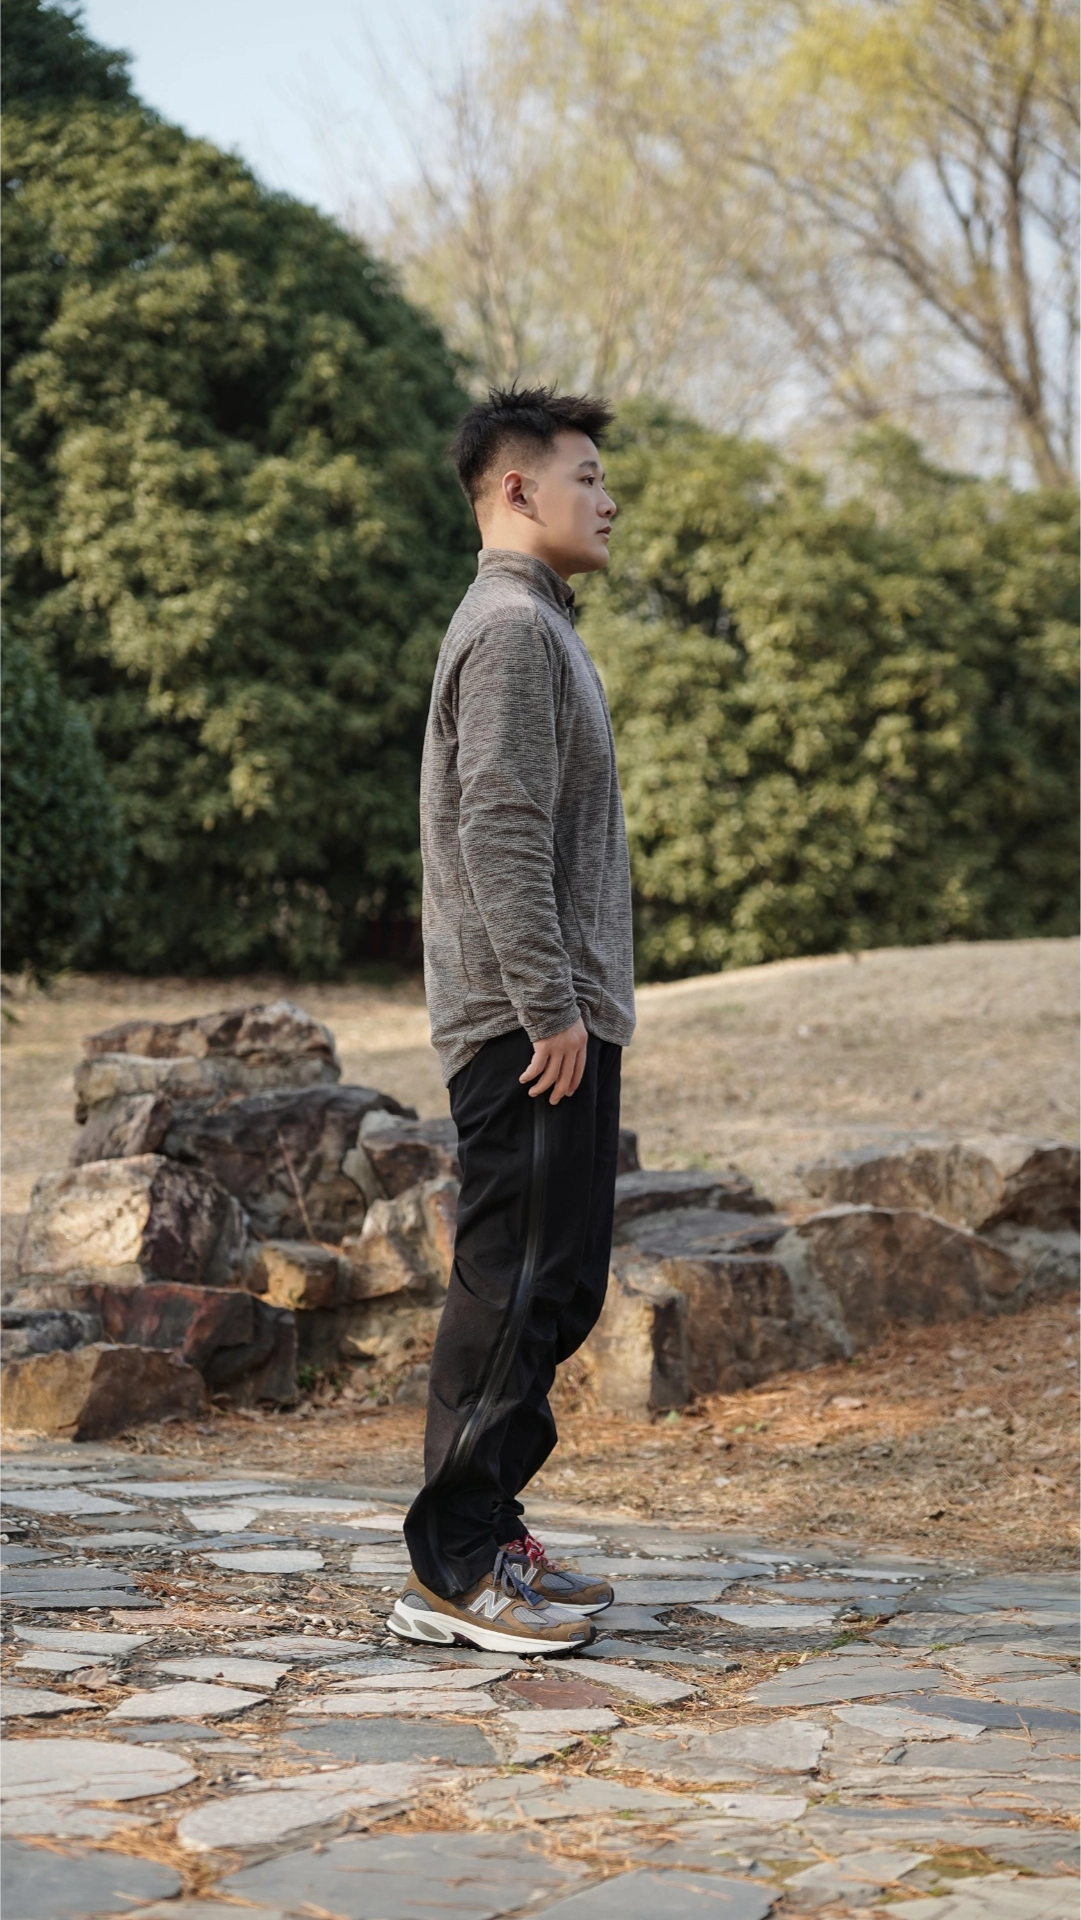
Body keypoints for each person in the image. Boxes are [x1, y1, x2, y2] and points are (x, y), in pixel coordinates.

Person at [390, 386, 636, 1655]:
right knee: (518, 1278)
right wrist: (548, 1005)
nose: (608, 499)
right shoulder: (508, 628)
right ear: (516, 489)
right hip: (525, 1024)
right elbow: (497, 825)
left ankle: (488, 1525)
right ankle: (455, 1566)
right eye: (585, 476)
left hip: (555, 1017)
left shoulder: (537, 625)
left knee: (558, 1285)